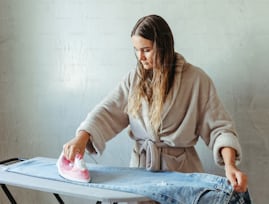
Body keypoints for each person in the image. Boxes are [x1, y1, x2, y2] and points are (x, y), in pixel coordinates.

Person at [62, 14, 249, 202]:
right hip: (141, 176)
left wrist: (230, 166)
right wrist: (81, 137)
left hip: (182, 177)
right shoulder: (133, 80)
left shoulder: (196, 80)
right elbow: (107, 111)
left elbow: (220, 128)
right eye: (136, 50)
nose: (140, 57)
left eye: (146, 50)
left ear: (164, 46)